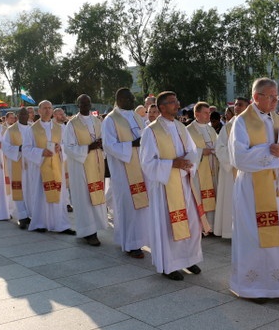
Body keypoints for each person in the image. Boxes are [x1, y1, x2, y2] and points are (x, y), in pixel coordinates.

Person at [229, 78, 279, 301]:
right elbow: (239, 158)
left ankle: (276, 286)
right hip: (251, 189)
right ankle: (253, 287)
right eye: (270, 96)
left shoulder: (277, 120)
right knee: (253, 236)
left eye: (276, 96)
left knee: (276, 235)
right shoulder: (241, 122)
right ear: (257, 97)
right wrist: (271, 153)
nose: (274, 100)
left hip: (276, 189)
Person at [141, 91, 209, 280]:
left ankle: (188, 258)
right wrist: (172, 164)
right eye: (172, 102)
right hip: (165, 187)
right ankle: (169, 265)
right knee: (168, 226)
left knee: (191, 222)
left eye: (176, 101)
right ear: (161, 107)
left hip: (184, 182)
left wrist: (188, 162)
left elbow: (192, 151)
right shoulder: (151, 131)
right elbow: (147, 163)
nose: (177, 105)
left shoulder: (180, 127)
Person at [102, 88, 149, 258]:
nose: (131, 100)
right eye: (128, 98)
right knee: (128, 206)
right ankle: (130, 243)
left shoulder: (137, 117)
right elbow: (108, 145)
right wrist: (132, 145)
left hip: (140, 168)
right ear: (119, 99)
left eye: (132, 98)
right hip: (123, 170)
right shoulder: (110, 120)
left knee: (142, 206)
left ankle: (141, 237)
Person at [23, 100, 74, 234]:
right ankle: (40, 222)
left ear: (52, 111)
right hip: (41, 167)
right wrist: (41, 152)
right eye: (44, 108)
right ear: (38, 111)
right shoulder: (31, 129)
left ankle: (61, 224)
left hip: (57, 166)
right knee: (41, 194)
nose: (47, 110)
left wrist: (60, 148)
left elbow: (67, 145)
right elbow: (26, 149)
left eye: (49, 108)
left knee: (59, 194)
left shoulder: (60, 128)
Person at [63, 94, 108, 246]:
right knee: (84, 199)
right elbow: (68, 147)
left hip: (96, 165)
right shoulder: (72, 124)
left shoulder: (97, 121)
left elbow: (104, 139)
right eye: (82, 103)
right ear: (78, 105)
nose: (86, 106)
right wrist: (88, 147)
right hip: (81, 167)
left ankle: (94, 227)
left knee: (95, 197)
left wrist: (102, 144)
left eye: (88, 103)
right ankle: (89, 232)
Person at [213, 98, 248, 239]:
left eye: (240, 105)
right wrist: (234, 159)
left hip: (248, 170)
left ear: (248, 106)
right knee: (230, 200)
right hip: (230, 171)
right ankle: (230, 231)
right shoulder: (227, 127)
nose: (237, 107)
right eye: (236, 105)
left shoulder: (252, 123)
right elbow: (219, 148)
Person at [187, 102, 219, 232]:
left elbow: (217, 145)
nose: (208, 115)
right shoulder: (188, 130)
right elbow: (187, 151)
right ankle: (201, 227)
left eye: (209, 113)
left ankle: (212, 226)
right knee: (200, 197)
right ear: (196, 114)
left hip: (213, 168)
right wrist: (201, 152)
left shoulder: (210, 129)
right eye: (205, 113)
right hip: (198, 172)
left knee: (214, 194)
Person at [2, 107, 32, 228]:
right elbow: (5, 147)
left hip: (31, 164)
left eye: (26, 114)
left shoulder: (33, 128)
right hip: (17, 163)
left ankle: (33, 214)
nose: (24, 116)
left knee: (31, 189)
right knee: (19, 189)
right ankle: (22, 216)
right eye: (21, 114)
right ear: (17, 116)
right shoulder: (10, 130)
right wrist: (19, 148)